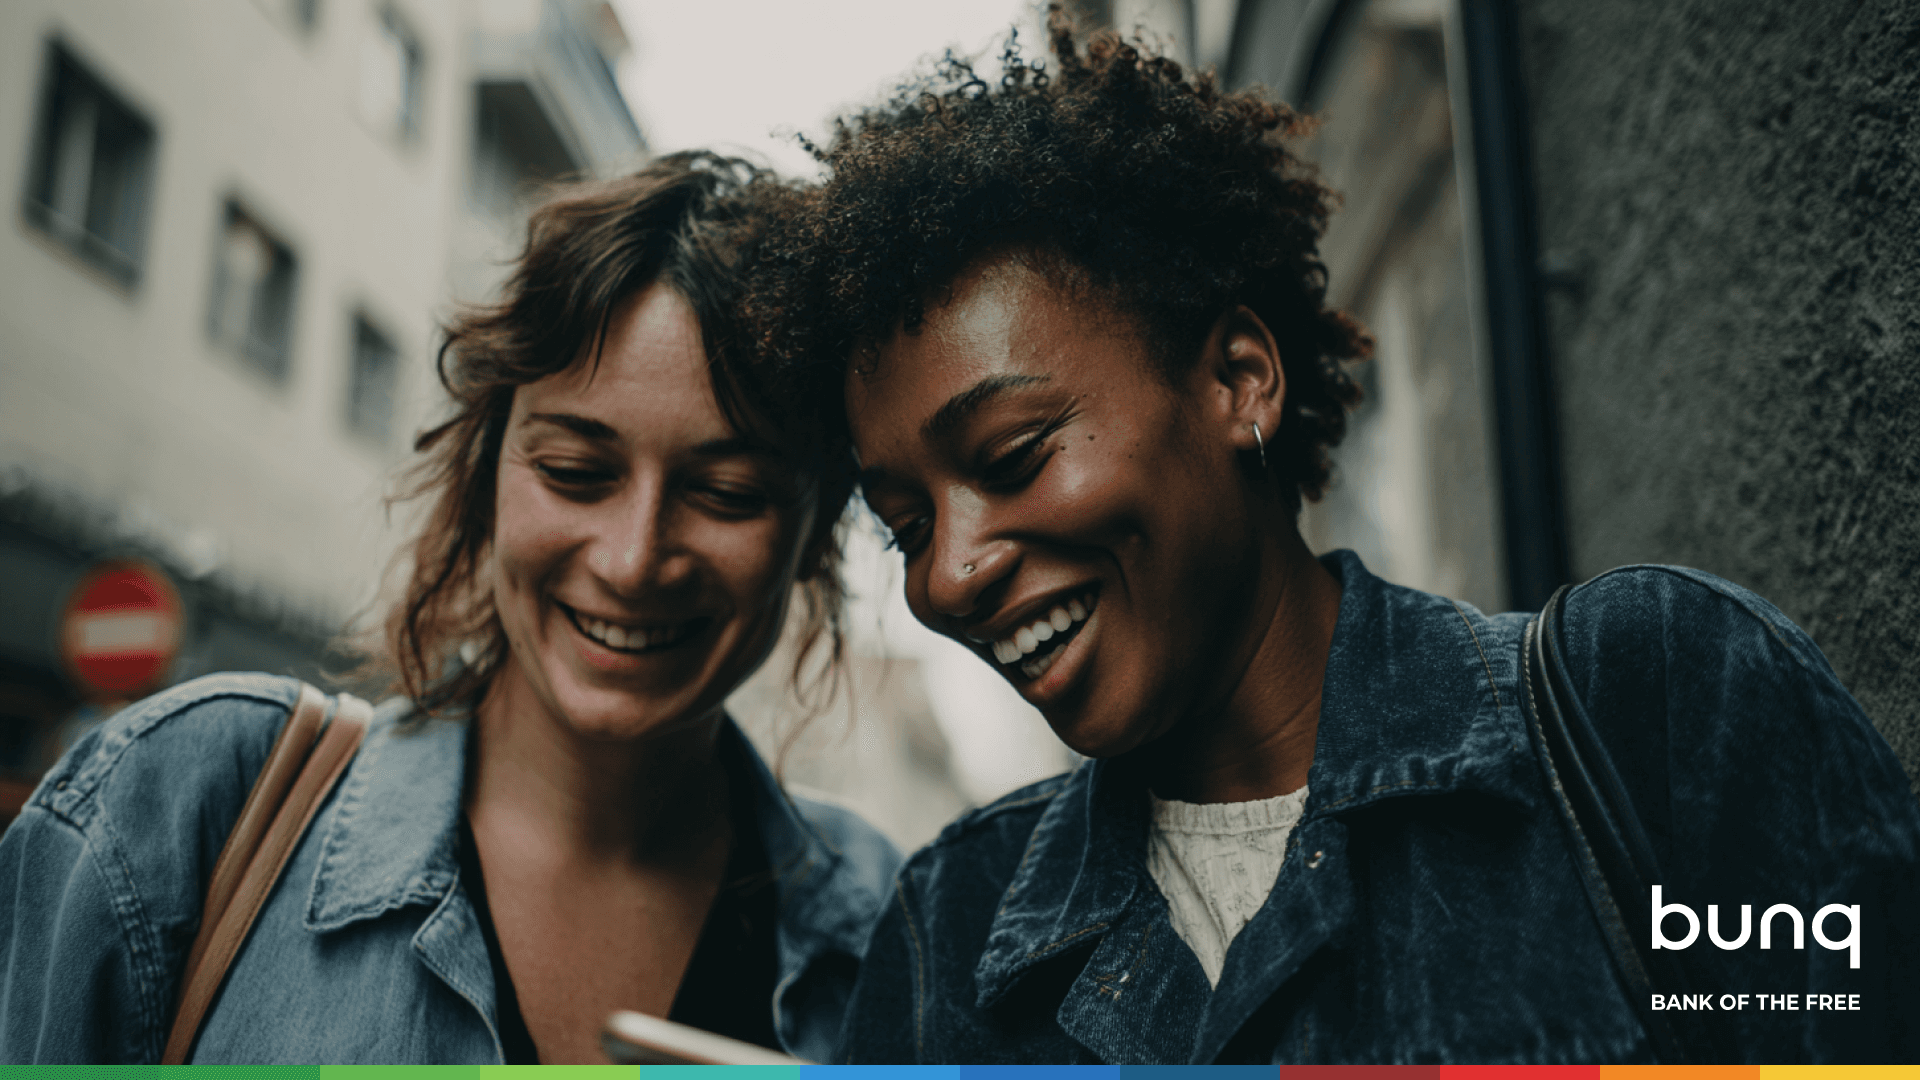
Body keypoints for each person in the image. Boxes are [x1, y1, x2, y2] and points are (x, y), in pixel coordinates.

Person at [745, 17, 1920, 1065]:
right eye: (905, 527)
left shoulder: (1653, 710)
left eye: (1012, 458)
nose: (950, 573)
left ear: (1239, 380)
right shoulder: (952, 937)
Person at [0, 153, 899, 1064]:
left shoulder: (888, 926)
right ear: (487, 471)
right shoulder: (179, 808)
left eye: (729, 493)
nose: (633, 561)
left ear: (816, 527)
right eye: (575, 474)